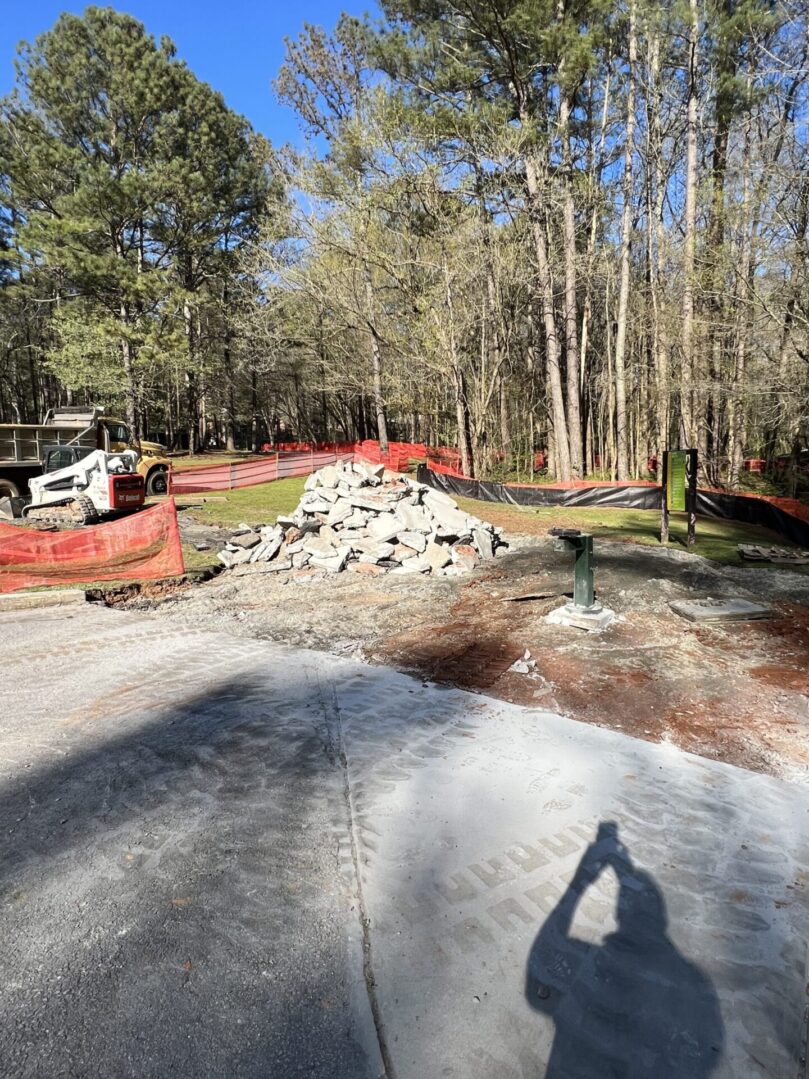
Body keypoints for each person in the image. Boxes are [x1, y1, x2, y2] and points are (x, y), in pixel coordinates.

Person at [525, 822, 724, 1078]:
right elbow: (709, 1053)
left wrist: (580, 882)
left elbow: (539, 970)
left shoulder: (593, 961)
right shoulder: (695, 982)